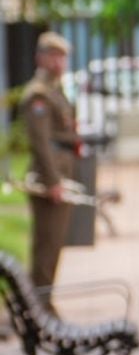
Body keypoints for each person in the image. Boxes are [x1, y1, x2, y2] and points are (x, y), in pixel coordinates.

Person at [20, 33, 78, 292]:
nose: (59, 62)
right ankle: (40, 307)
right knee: (47, 244)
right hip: (48, 177)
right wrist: (53, 181)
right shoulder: (39, 94)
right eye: (53, 56)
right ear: (40, 58)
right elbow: (41, 142)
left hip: (61, 170)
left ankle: (43, 302)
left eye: (62, 57)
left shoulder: (55, 89)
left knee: (54, 244)